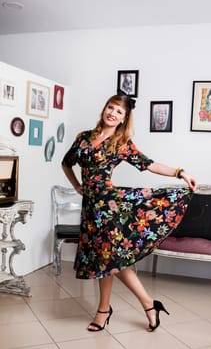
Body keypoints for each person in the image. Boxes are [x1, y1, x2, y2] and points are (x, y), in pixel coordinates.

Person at [62, 93, 197, 333]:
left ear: (124, 118)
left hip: (110, 206)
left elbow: (150, 164)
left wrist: (180, 172)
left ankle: (106, 311)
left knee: (109, 259)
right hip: (91, 208)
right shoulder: (83, 138)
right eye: (111, 108)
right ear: (105, 108)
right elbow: (66, 162)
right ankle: (147, 305)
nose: (112, 113)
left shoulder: (120, 143)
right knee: (109, 260)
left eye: (119, 112)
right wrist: (76, 185)